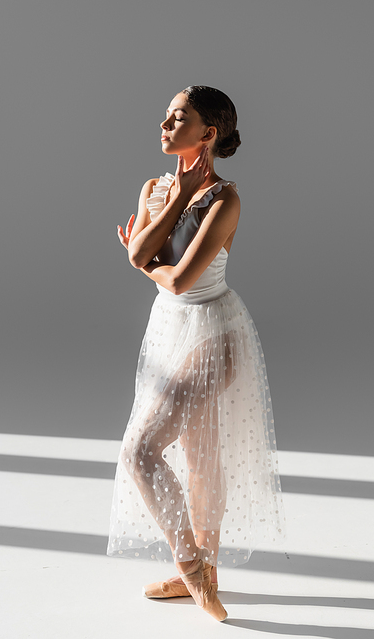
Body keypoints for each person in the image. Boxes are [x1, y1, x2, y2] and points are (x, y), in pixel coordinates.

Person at [107, 85, 286, 621]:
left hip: (214, 331)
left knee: (143, 450)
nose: (164, 125)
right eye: (165, 116)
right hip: (170, 329)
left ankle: (193, 567)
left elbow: (178, 279)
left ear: (208, 134)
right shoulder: (154, 187)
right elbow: (141, 252)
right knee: (198, 451)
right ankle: (201, 570)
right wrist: (157, 234)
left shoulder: (226, 199)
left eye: (178, 118)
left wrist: (148, 260)